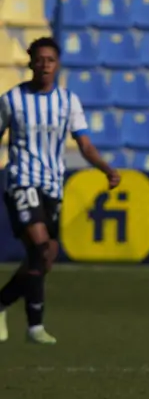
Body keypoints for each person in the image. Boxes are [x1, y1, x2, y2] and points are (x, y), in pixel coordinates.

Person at [0, 37, 120, 344]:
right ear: (30, 63)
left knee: (45, 257)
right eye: (39, 59)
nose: (44, 65)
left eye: (50, 60)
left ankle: (1, 304)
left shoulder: (68, 101)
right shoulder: (11, 99)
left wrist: (106, 169)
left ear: (57, 65)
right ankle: (35, 327)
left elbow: (85, 144)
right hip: (21, 180)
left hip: (53, 185)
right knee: (40, 247)